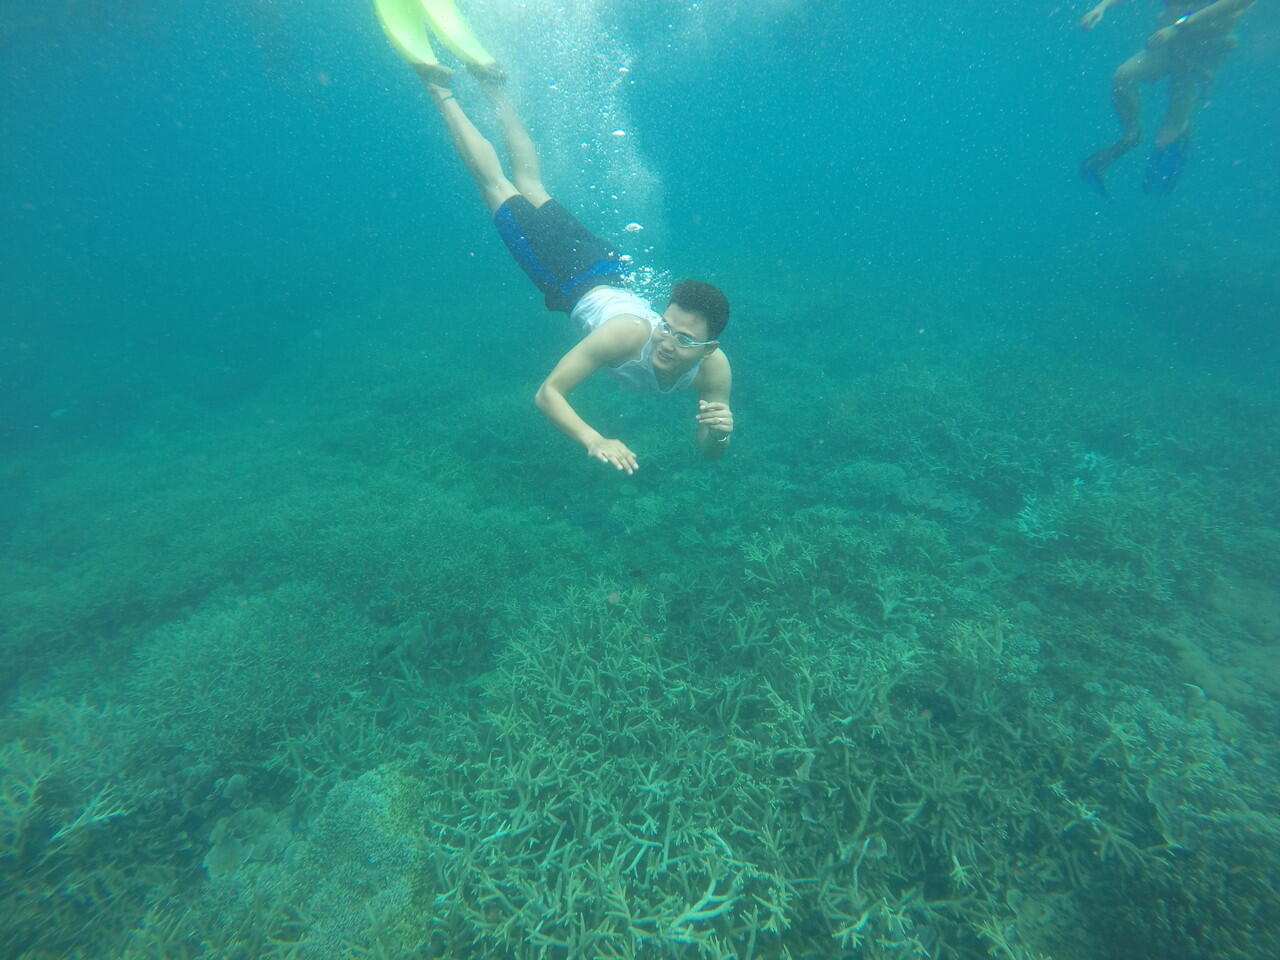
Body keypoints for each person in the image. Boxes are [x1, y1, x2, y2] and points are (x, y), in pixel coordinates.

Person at [372, 0, 734, 475]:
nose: (667, 342)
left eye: (683, 338)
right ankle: (441, 90)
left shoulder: (714, 371)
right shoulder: (627, 336)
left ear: (708, 349)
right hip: (573, 279)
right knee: (497, 186)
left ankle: (493, 89)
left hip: (608, 266)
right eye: (667, 326)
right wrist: (593, 437)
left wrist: (722, 432)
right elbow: (548, 394)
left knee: (533, 185)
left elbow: (708, 451)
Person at [1078, 0, 1257, 195]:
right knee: (1123, 77)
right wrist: (1102, 7)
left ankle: (1162, 179)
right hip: (1169, 43)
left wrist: (1179, 26)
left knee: (1169, 134)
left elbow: (1232, 4)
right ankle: (1132, 137)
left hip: (1203, 53)